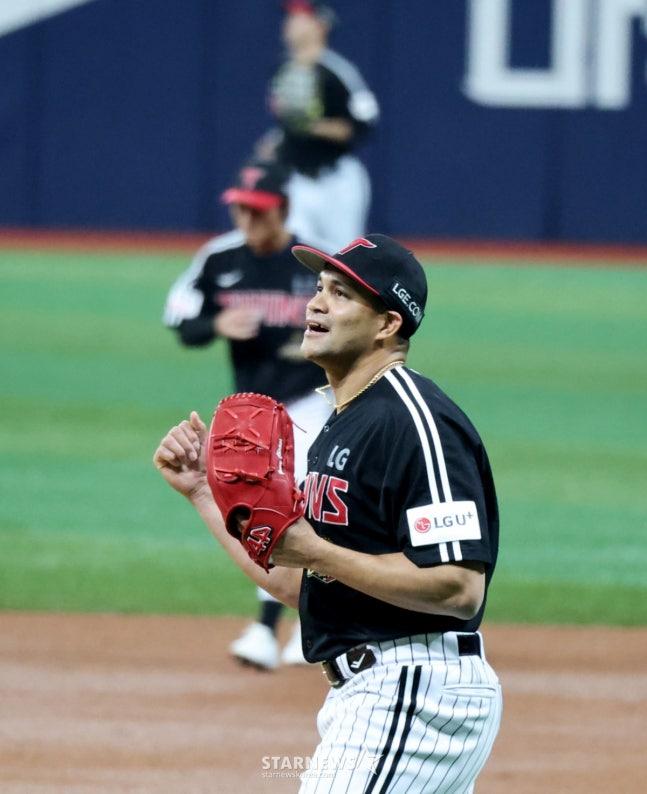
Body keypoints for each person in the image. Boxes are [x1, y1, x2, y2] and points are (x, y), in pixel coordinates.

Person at [154, 234, 503, 792]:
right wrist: (201, 492)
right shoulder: (344, 421)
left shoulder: (413, 420)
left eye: (340, 294)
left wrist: (315, 548)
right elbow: (301, 584)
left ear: (388, 324)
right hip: (374, 691)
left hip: (412, 689)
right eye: (319, 288)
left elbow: (459, 587)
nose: (314, 303)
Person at [162, 158, 331, 670]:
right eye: (240, 210)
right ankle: (301, 618)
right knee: (259, 504)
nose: (247, 221)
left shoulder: (313, 264)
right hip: (249, 413)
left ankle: (270, 628)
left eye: (257, 212)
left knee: (289, 500)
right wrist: (216, 323)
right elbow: (179, 320)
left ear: (282, 210)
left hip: (312, 402)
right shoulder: (219, 258)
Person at [256, 0, 380, 252]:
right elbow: (288, 124)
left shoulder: (338, 72)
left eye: (298, 18)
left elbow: (364, 124)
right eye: (289, 17)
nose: (289, 23)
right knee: (295, 254)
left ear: (320, 25)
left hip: (336, 182)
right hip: (296, 181)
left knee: (344, 261)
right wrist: (277, 139)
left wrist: (313, 126)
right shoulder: (282, 69)